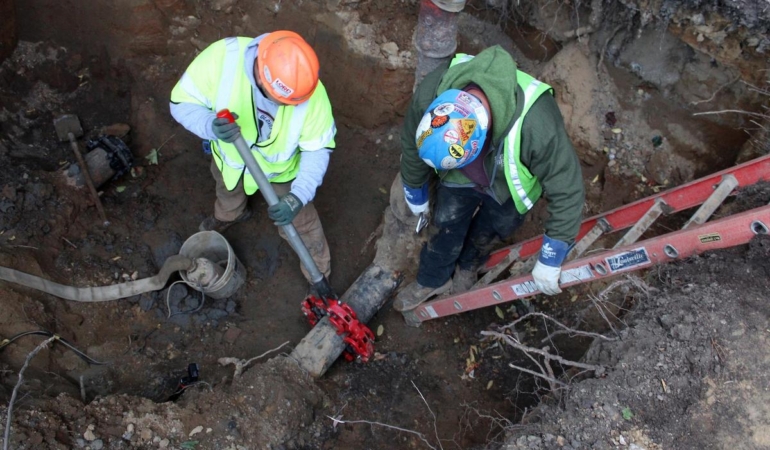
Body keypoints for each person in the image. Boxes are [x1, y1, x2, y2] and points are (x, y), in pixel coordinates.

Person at [393, 46, 584, 312]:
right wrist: (415, 191)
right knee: (445, 223)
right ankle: (432, 279)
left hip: (509, 187)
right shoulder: (432, 91)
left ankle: (468, 265)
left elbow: (568, 189)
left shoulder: (537, 123)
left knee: (492, 229)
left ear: (483, 138)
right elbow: (413, 145)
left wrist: (552, 255)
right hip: (458, 177)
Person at [169, 30, 335, 281]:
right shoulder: (222, 59)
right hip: (231, 160)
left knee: (302, 224)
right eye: (281, 102)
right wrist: (208, 125)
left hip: (281, 173)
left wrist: (298, 196)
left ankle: (318, 274)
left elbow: (317, 150)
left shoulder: (311, 96)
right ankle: (230, 214)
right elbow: (180, 102)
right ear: (261, 75)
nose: (288, 107)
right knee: (227, 188)